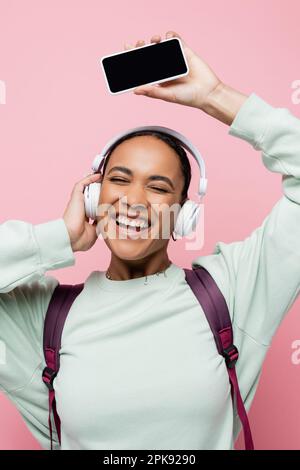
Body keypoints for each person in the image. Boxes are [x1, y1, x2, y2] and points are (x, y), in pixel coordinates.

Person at [1, 30, 300, 451]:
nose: (134, 201)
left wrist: (213, 95)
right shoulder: (43, 316)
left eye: (158, 187)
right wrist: (60, 237)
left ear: (184, 214)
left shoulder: (232, 290)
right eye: (118, 179)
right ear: (91, 196)